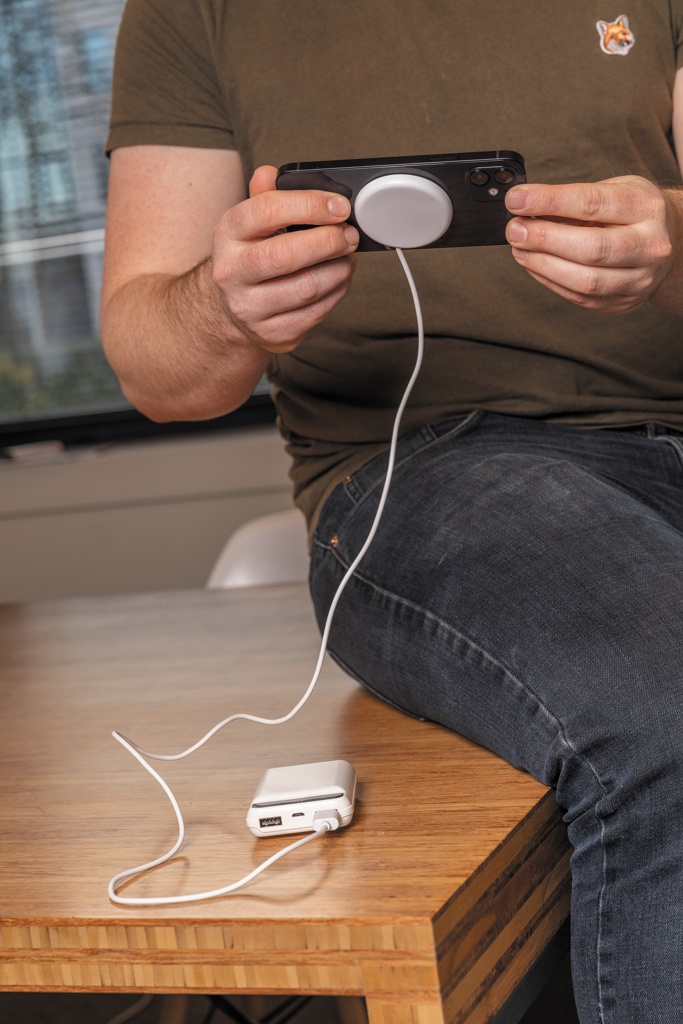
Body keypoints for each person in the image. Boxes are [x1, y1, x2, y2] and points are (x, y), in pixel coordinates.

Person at [101, 3, 683, 1021]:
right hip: (423, 474)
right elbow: (158, 371)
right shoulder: (190, 11)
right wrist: (224, 307)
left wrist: (669, 244)